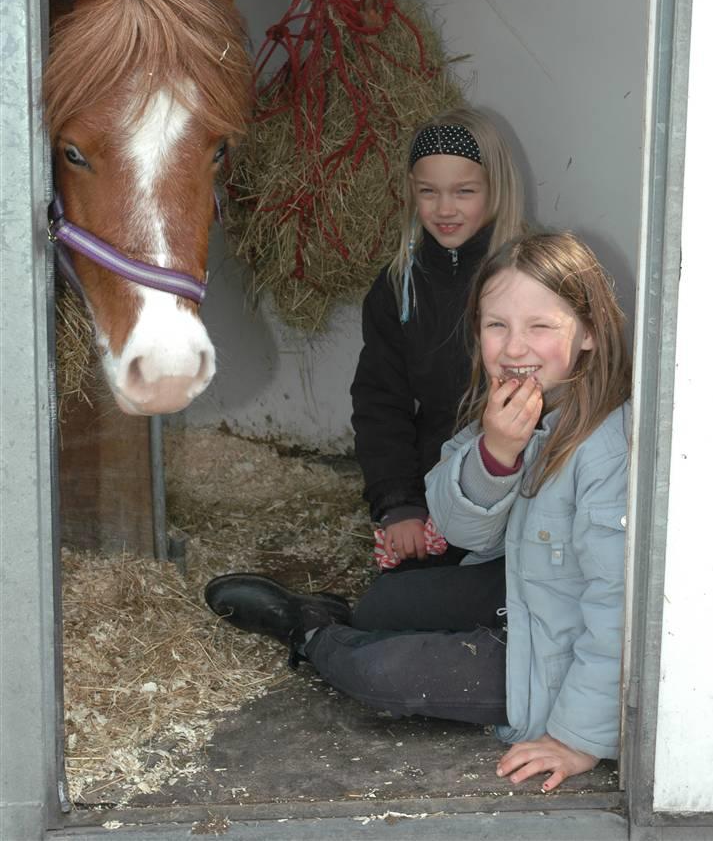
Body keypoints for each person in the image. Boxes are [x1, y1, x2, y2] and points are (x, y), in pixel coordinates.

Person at [205, 230, 631, 792]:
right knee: (385, 602)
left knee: (379, 672)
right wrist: (497, 453)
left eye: (541, 326)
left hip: (555, 657)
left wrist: (576, 738)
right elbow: (459, 527)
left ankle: (308, 632)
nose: (514, 347)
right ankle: (347, 619)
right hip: (525, 592)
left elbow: (615, 609)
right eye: (495, 325)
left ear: (590, 334)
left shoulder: (608, 447)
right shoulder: (519, 409)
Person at [351, 105, 526, 573]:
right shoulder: (397, 286)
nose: (445, 209)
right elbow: (380, 403)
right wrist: (400, 505)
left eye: (464, 192)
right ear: (412, 192)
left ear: (496, 189)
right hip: (436, 501)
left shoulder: (531, 277)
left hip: (525, 502)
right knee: (391, 615)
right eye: (429, 192)